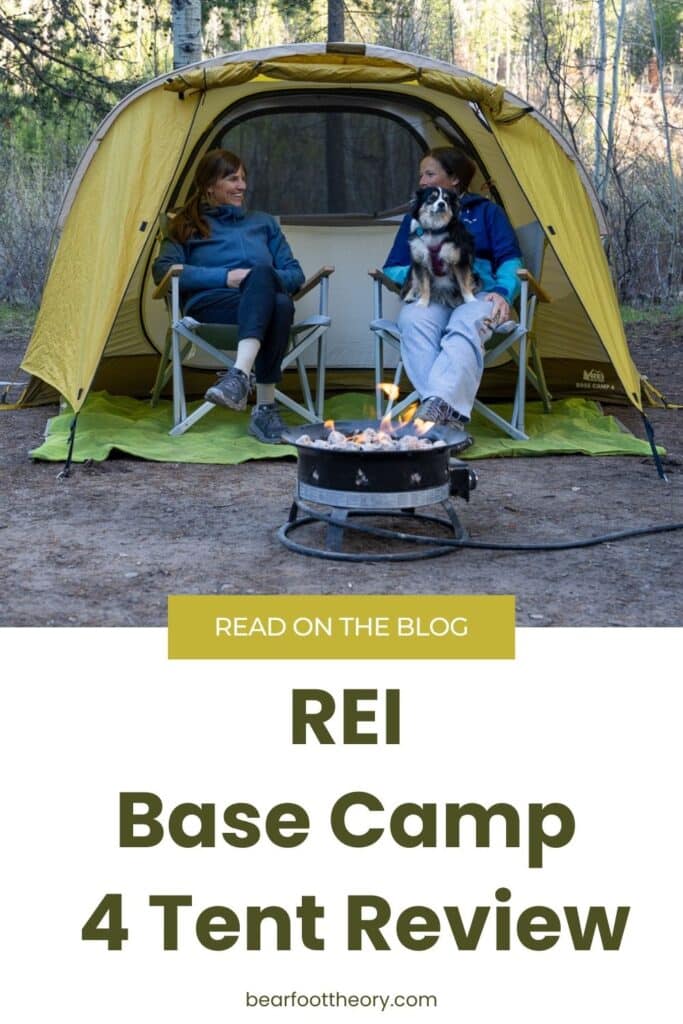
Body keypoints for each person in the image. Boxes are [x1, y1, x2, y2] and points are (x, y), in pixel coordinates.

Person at [153, 148, 305, 444]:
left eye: (243, 179)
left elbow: (295, 274)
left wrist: (262, 278)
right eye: (233, 179)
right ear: (210, 185)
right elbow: (164, 270)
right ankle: (264, 407)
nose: (242, 186)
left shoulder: (263, 223)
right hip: (212, 306)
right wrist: (226, 277)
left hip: (261, 304)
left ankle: (238, 377)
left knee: (274, 293)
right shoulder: (184, 223)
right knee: (279, 303)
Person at [383, 147, 523, 430]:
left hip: (479, 293)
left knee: (465, 324)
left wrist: (504, 291)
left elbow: (511, 261)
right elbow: (392, 267)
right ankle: (446, 418)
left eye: (430, 173)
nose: (422, 181)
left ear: (455, 179)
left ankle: (434, 415)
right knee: (413, 321)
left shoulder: (487, 213)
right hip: (433, 294)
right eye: (421, 174)